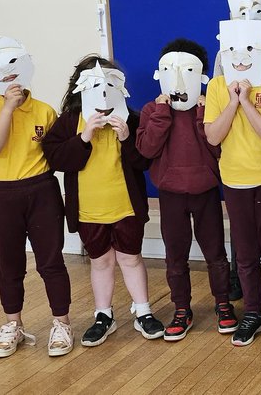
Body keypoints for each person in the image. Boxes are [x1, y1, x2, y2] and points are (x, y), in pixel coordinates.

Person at [42, 56, 164, 346]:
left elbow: (143, 161)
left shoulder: (130, 119)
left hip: (125, 205)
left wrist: (126, 138)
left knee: (131, 258)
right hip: (89, 209)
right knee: (101, 261)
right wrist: (83, 137)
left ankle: (143, 311)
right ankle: (103, 315)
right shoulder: (71, 121)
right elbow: (57, 158)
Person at [0, 36, 73, 357]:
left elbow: (57, 155)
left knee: (51, 262)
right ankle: (14, 324)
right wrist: (8, 107)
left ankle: (62, 322)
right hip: (1, 195)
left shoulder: (44, 110)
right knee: (8, 264)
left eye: (13, 65)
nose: (8, 73)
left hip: (42, 190)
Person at [135, 39, 237, 341]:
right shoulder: (153, 109)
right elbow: (147, 149)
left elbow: (217, 147)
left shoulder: (208, 105)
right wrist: (162, 114)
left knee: (215, 252)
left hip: (205, 189)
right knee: (175, 255)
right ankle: (181, 308)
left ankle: (223, 303)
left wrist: (200, 115)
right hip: (170, 194)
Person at [204, 31, 261, 347]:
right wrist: (231, 100)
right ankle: (253, 312)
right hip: (234, 181)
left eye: (249, 50)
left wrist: (245, 100)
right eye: (233, 51)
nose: (240, 58)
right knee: (244, 255)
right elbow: (213, 137)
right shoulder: (217, 86)